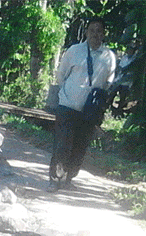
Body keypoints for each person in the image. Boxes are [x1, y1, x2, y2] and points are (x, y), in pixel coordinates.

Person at [47, 19, 115, 189]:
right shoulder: (74, 51)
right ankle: (55, 179)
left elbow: (108, 83)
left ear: (104, 34)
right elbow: (61, 75)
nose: (95, 34)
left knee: (80, 147)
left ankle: (69, 178)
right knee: (62, 144)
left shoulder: (109, 57)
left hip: (89, 112)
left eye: (99, 31)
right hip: (67, 105)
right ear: (86, 33)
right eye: (92, 30)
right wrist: (70, 93)